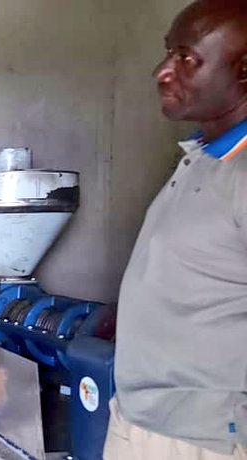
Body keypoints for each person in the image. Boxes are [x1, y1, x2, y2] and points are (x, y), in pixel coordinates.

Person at [107, 0, 247, 458]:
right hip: (142, 419)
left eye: (187, 58)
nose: (162, 72)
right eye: (169, 53)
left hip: (202, 436)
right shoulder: (204, 157)